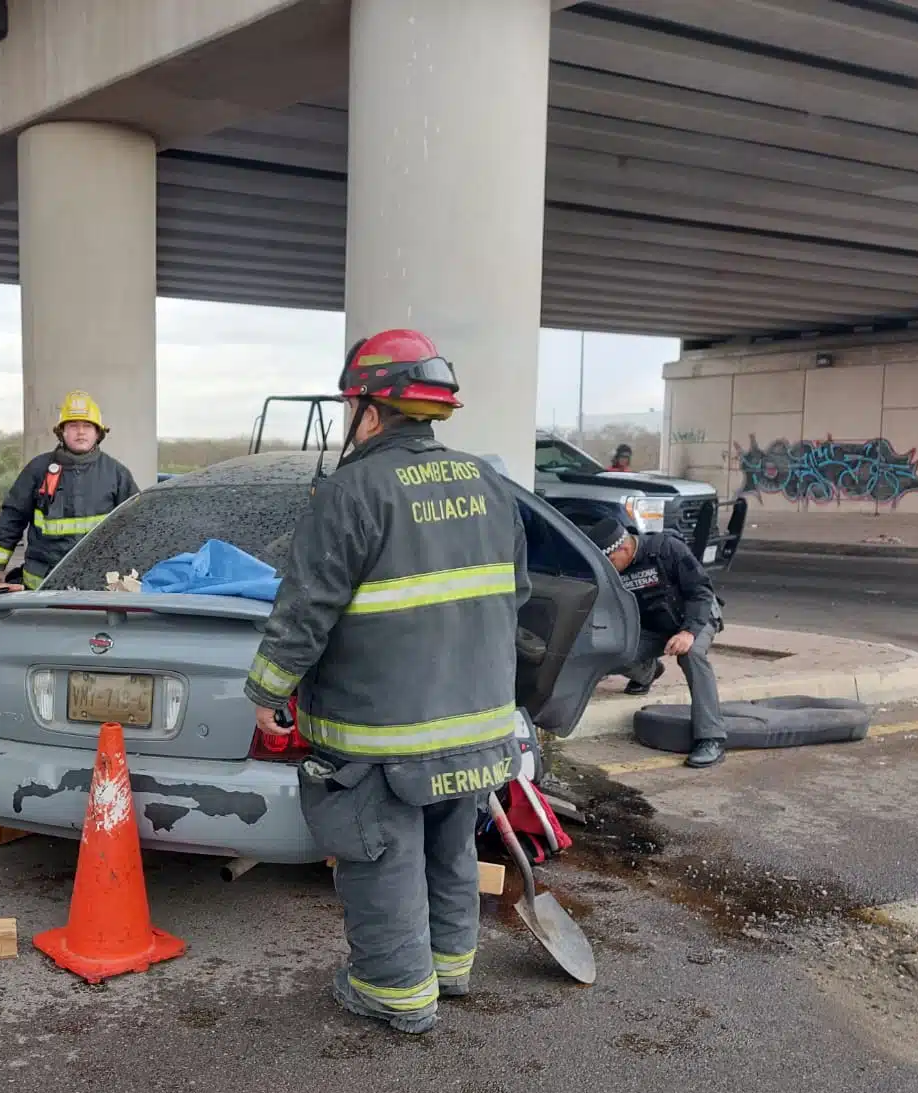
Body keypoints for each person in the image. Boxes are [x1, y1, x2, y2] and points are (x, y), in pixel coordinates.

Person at [242, 329, 530, 1035]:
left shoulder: (353, 491)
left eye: (352, 410)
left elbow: (305, 608)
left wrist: (267, 692)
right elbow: (514, 594)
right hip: (476, 723)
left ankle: (396, 991)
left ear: (370, 411)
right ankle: (452, 966)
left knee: (383, 852)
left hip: (383, 729)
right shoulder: (490, 484)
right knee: (450, 844)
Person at [588, 517, 726, 768]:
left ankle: (711, 737)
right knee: (614, 651)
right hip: (657, 627)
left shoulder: (667, 548)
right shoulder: (614, 571)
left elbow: (701, 592)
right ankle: (648, 672)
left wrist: (688, 633)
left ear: (625, 549)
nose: (607, 568)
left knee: (692, 655)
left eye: (609, 561)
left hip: (696, 618)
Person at [0, 390, 139, 592]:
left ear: (98, 433)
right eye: (73, 426)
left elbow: (136, 526)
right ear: (62, 432)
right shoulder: (38, 470)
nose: (81, 432)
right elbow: (13, 517)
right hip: (43, 584)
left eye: (87, 426)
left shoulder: (117, 474)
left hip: (98, 583)